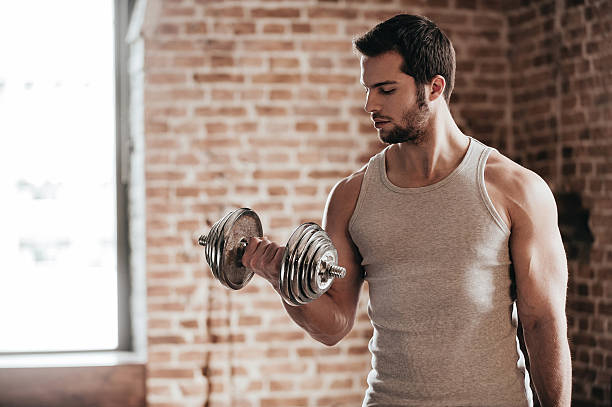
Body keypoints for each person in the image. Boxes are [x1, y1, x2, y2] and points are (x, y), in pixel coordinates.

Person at [241, 14, 571, 407]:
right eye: (367, 89)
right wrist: (283, 281)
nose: (369, 104)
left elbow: (541, 321)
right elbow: (333, 326)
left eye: (385, 89)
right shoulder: (350, 197)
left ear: (434, 88)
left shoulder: (515, 190)